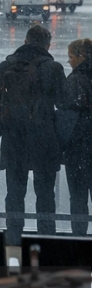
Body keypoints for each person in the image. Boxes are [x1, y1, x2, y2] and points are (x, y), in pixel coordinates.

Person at [0, 24, 67, 244]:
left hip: (14, 139)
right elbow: (64, 103)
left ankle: (14, 242)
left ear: (25, 41)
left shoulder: (7, 65)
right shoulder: (54, 68)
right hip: (44, 139)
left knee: (14, 194)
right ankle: (46, 241)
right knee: (45, 194)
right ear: (47, 45)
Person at [61, 38, 92, 236]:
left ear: (81, 57)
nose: (70, 62)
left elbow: (67, 116)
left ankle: (79, 242)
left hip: (79, 150)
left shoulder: (74, 81)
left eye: (71, 57)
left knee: (78, 198)